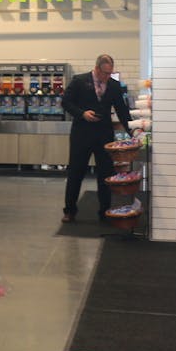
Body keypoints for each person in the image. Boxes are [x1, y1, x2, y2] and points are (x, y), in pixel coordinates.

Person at [62, 53, 134, 223]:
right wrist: (82, 113)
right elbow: (66, 102)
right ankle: (69, 211)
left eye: (110, 73)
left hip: (104, 135)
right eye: (105, 73)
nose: (107, 77)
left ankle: (105, 211)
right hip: (82, 134)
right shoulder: (79, 81)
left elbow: (122, 111)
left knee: (106, 175)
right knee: (76, 173)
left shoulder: (114, 86)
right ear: (96, 69)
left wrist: (133, 132)